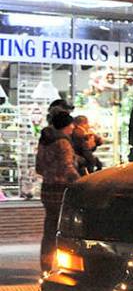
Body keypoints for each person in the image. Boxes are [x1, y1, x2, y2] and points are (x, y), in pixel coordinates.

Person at [35, 110, 79, 272]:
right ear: (66, 126)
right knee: (63, 230)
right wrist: (80, 182)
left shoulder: (45, 141)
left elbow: (39, 168)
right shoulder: (63, 142)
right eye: (71, 125)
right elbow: (67, 167)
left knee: (49, 229)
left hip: (47, 189)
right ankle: (63, 265)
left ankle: (45, 265)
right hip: (61, 190)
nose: (73, 128)